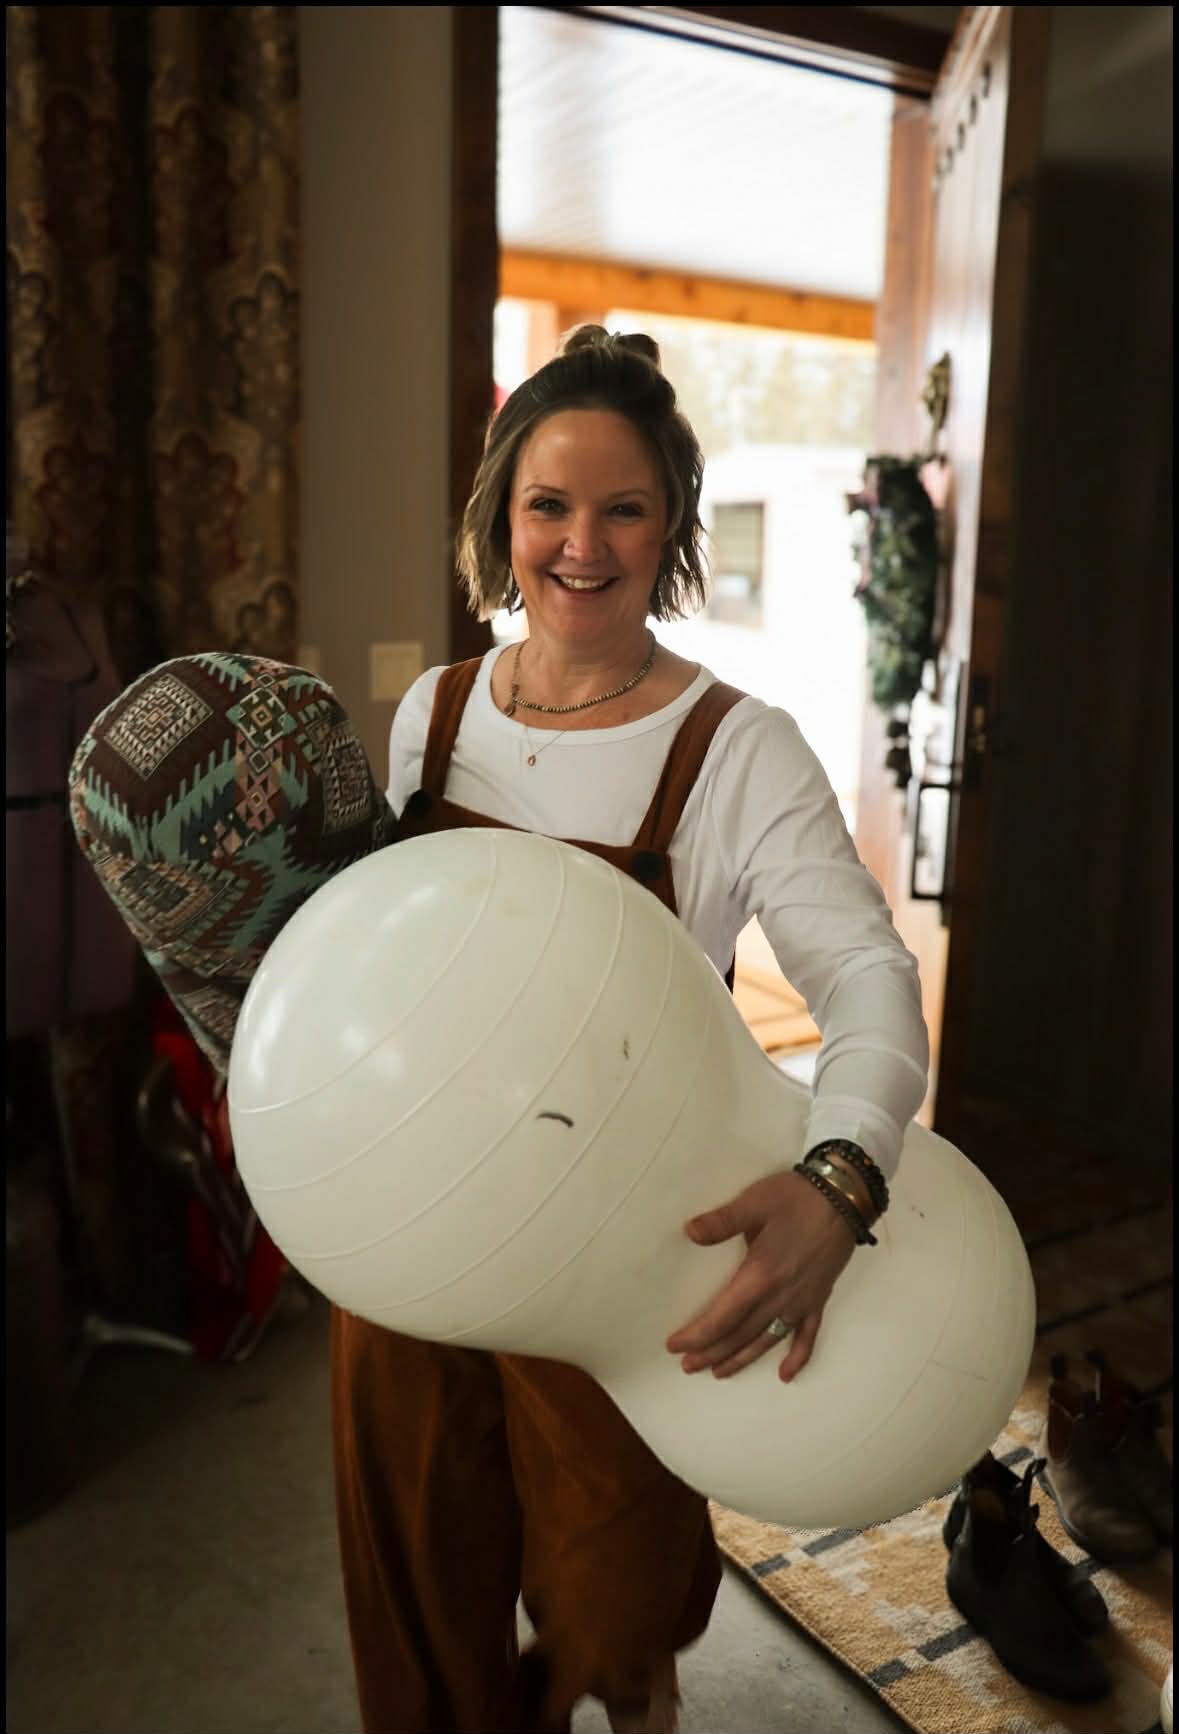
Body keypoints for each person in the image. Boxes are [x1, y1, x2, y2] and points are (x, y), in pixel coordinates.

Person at [330, 326, 929, 1734]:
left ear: (670, 530)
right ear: (502, 516)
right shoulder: (435, 712)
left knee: (622, 1607)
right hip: (413, 1234)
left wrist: (841, 1181)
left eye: (623, 508)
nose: (581, 544)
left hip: (617, 1243)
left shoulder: (737, 747)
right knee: (414, 1594)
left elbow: (868, 979)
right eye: (548, 504)